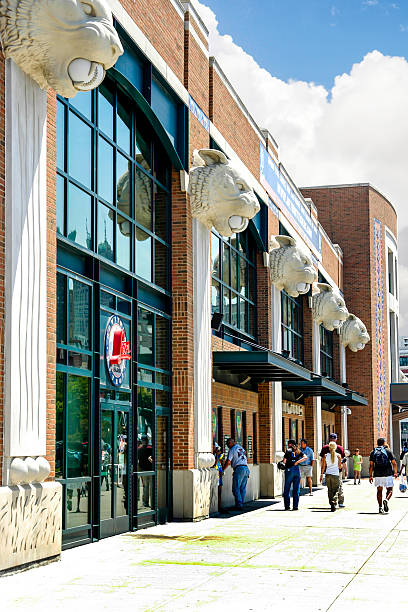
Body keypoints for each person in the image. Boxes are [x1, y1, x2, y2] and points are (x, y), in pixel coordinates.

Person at [369, 437, 398, 514]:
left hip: (378, 474)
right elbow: (394, 463)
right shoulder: (388, 451)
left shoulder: (373, 452)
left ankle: (380, 507)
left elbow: (371, 465)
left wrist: (370, 475)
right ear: (384, 443)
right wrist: (395, 472)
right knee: (390, 490)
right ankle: (386, 499)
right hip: (387, 473)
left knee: (379, 491)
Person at [223, 438, 250, 510]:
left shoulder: (232, 450)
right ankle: (241, 503)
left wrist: (222, 470)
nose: (228, 445)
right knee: (242, 488)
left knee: (236, 488)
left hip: (239, 468)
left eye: (228, 443)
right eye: (227, 444)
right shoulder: (241, 448)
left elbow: (228, 461)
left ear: (232, 442)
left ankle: (239, 504)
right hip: (246, 468)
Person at [320, 433, 346, 507]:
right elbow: (340, 466)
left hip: (328, 473)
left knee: (330, 489)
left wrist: (321, 474)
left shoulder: (325, 452)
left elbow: (322, 462)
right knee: (338, 488)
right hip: (337, 473)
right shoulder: (339, 452)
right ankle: (338, 501)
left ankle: (332, 502)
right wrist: (344, 467)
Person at [282, 439, 308, 511]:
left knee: (287, 488)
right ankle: (295, 506)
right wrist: (297, 462)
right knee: (296, 489)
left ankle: (287, 506)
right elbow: (305, 457)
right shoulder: (298, 451)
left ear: (289, 444)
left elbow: (284, 461)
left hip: (289, 470)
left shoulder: (288, 451)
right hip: (297, 470)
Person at [213, 443, 225, 512]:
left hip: (219, 474)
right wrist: (217, 456)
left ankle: (219, 506)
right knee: (216, 492)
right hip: (215, 474)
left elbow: (221, 463)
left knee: (220, 492)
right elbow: (214, 464)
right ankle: (217, 507)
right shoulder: (213, 456)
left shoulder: (219, 456)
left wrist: (222, 459)